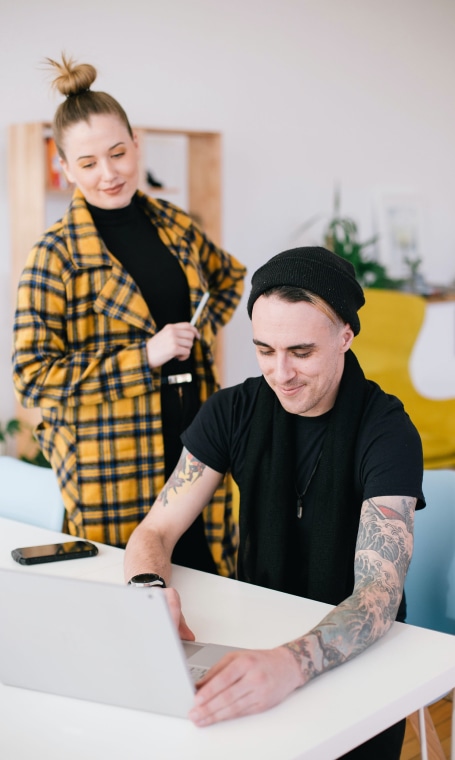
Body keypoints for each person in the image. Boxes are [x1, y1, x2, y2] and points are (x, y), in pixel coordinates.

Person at [124, 246, 425, 759]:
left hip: (359, 663)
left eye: (301, 352)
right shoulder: (233, 411)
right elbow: (156, 530)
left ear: (345, 336)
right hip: (254, 633)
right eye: (265, 350)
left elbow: (378, 595)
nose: (280, 373)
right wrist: (149, 593)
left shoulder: (387, 432)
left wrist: (289, 664)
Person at [12, 54, 246, 577]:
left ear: (137, 143)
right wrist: (145, 357)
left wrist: (196, 336)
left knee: (212, 579)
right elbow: (31, 379)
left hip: (196, 437)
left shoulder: (173, 224)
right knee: (129, 590)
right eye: (88, 163)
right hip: (110, 460)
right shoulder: (54, 255)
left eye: (118, 153)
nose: (109, 174)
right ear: (64, 167)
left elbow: (229, 278)